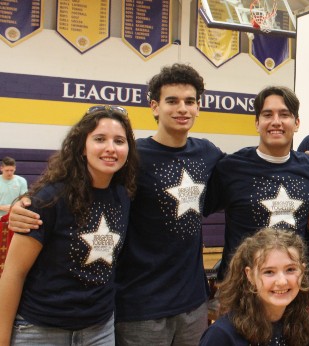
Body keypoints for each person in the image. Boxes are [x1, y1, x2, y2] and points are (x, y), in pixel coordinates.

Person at [5, 63, 224, 345]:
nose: (182, 108)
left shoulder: (207, 153)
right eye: (172, 101)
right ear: (155, 107)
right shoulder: (131, 159)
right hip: (139, 307)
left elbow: (243, 177)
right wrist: (23, 206)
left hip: (192, 304)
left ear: (198, 108)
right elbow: (78, 186)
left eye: (189, 101)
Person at [0, 106, 138, 344]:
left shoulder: (123, 196)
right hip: (40, 330)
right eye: (99, 139)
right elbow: (13, 274)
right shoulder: (48, 199)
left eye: (119, 141)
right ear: (82, 147)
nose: (110, 148)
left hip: (99, 330)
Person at [206, 86, 309, 282]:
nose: (276, 122)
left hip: (293, 290)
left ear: (296, 123)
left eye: (284, 114)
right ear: (257, 123)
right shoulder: (230, 168)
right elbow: (195, 212)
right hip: (240, 293)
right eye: (267, 114)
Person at [199, 227, 309, 346]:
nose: (282, 281)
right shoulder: (222, 335)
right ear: (250, 275)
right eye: (269, 272)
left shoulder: (305, 327)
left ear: (302, 271)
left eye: (290, 269)